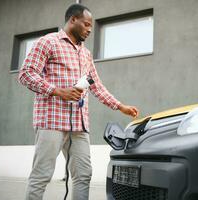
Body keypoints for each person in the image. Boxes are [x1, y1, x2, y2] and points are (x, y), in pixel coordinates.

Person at [18, 4, 139, 200]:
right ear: (73, 20)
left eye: (91, 26)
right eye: (87, 24)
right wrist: (57, 91)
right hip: (52, 122)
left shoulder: (86, 54)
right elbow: (25, 74)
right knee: (41, 175)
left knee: (83, 175)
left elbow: (96, 86)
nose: (90, 29)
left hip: (79, 126)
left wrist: (120, 106)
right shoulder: (48, 42)